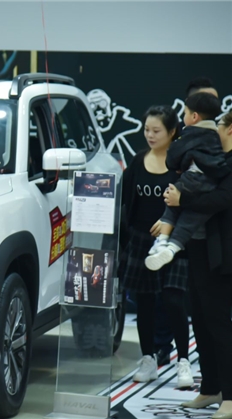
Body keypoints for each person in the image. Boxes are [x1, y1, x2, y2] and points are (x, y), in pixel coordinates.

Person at [164, 110, 232, 419]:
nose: (214, 130)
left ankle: (229, 395)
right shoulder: (213, 158)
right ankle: (211, 388)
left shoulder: (227, 164)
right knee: (201, 321)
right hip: (199, 249)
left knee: (218, 323)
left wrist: (183, 200)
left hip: (222, 255)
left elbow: (221, 200)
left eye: (219, 126)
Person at [120, 105, 192, 387]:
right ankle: (148, 358)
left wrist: (169, 225)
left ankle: (183, 361)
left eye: (156, 130)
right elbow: (126, 202)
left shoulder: (182, 164)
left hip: (174, 242)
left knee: (173, 300)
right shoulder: (138, 161)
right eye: (146, 129)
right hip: (140, 240)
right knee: (145, 303)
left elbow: (191, 202)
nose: (150, 135)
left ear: (172, 132)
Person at [145, 93, 229, 271]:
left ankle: (162, 241)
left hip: (193, 178)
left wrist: (178, 165)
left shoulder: (190, 133)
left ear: (194, 116)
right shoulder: (215, 135)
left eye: (185, 113)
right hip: (211, 185)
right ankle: (172, 248)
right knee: (190, 220)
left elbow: (173, 157)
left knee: (171, 202)